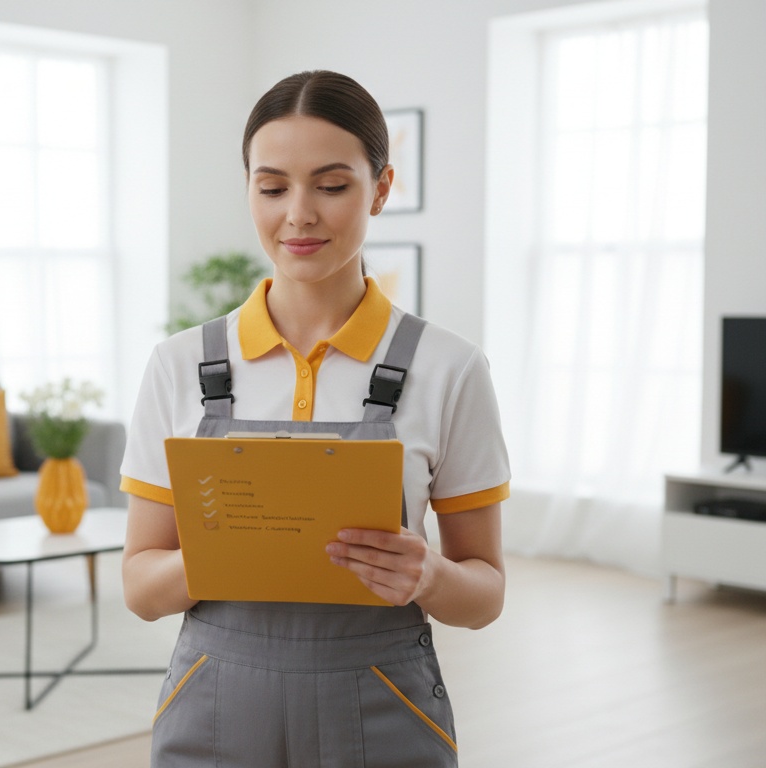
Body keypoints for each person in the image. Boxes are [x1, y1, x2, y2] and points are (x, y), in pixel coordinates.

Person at [120, 70, 510, 767]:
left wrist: (427, 577)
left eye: (331, 186)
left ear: (382, 189)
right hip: (213, 704)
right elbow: (142, 588)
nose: (298, 214)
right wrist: (228, 554)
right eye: (272, 188)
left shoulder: (451, 369)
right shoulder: (179, 366)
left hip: (383, 700)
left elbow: (484, 595)